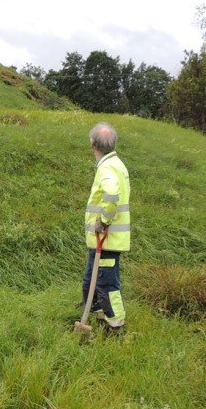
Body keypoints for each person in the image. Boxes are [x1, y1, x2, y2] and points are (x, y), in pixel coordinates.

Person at [82, 122, 131, 330]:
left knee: (106, 285)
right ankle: (95, 314)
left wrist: (103, 221)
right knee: (90, 281)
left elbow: (111, 193)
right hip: (102, 240)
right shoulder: (115, 163)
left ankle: (115, 326)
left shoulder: (107, 167)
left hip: (107, 239)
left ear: (93, 144)